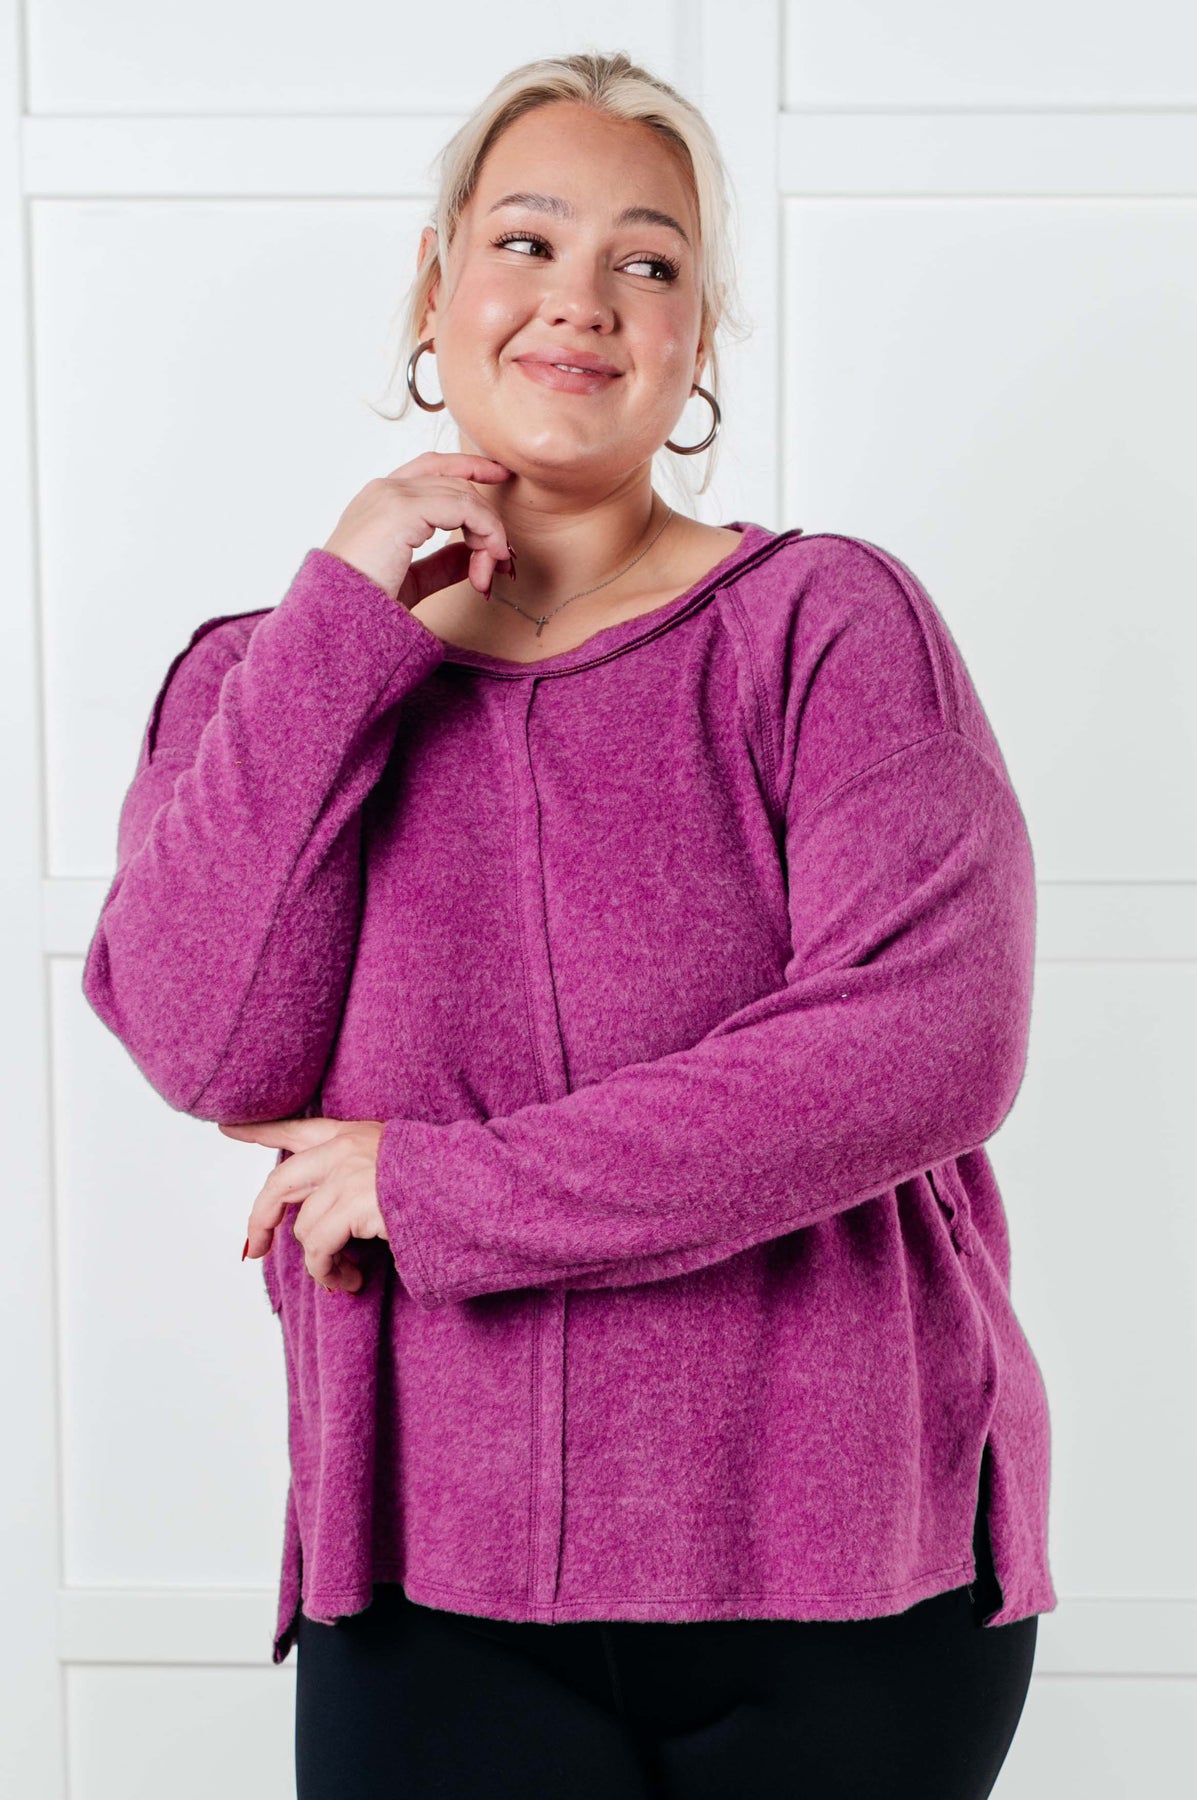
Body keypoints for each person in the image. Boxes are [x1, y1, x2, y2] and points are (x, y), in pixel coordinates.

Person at [82, 48, 1056, 1800]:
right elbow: (204, 1042)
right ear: (433, 290)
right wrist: (340, 624)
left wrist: (435, 1186)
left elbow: (924, 1046)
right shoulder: (264, 679)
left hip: (844, 1569)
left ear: (697, 341)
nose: (581, 299)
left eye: (647, 260)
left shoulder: (825, 625)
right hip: (427, 1571)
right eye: (526, 241)